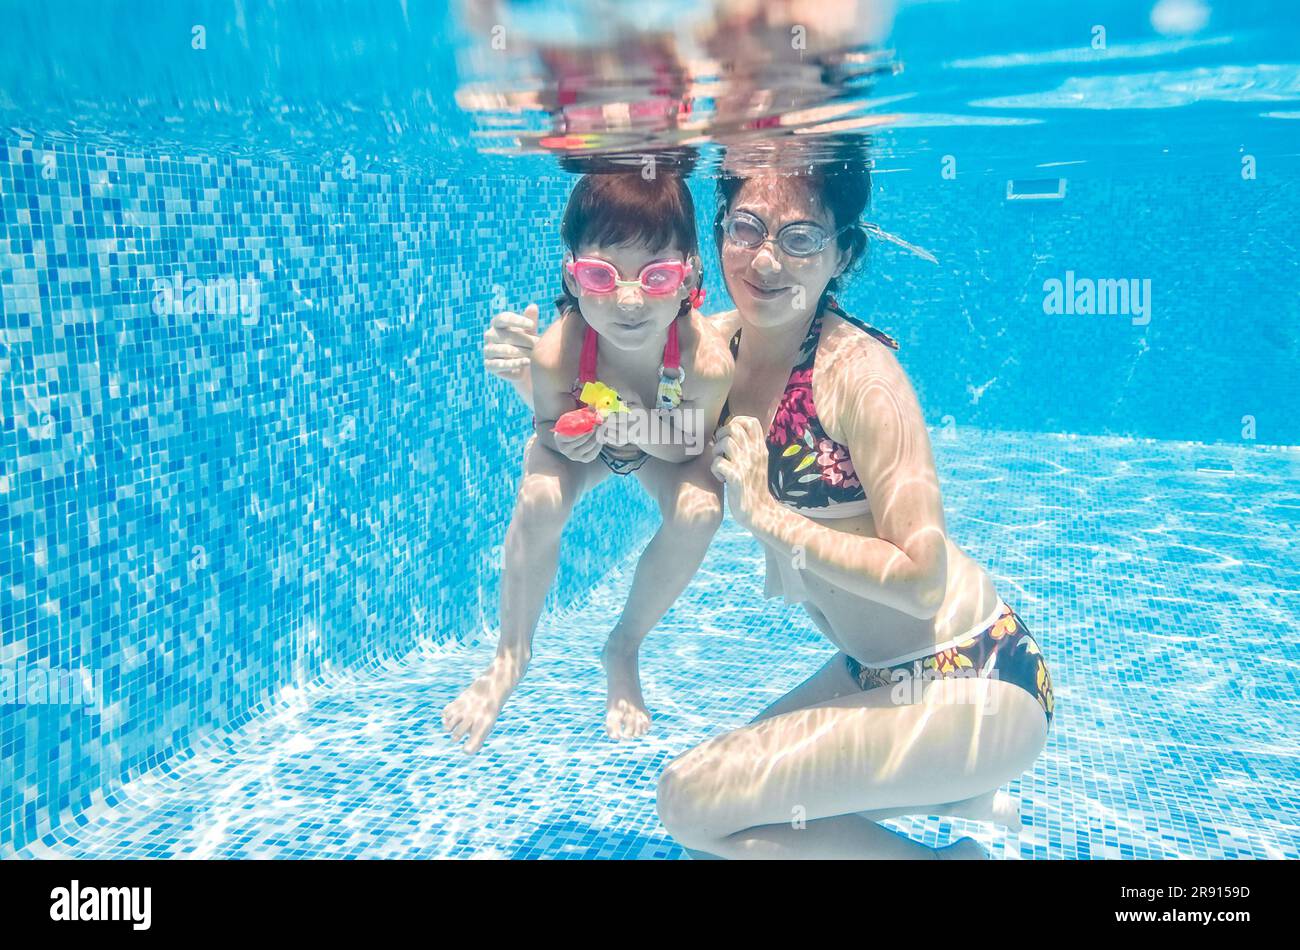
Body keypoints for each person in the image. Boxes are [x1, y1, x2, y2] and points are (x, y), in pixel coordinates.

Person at [483, 149, 1054, 858]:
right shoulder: (708, 351)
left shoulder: (861, 381)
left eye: (801, 237)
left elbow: (923, 579)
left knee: (693, 804)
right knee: (721, 820)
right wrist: (529, 379)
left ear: (842, 252)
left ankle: (948, 817)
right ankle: (941, 788)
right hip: (868, 672)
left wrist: (767, 515)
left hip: (973, 679)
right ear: (717, 234)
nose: (766, 261)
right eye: (747, 229)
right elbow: (617, 441)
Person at [443, 171, 734, 753]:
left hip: (662, 447)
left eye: (656, 276)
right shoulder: (560, 351)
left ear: (690, 278)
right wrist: (567, 440)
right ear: (571, 276)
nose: (628, 299)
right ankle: (511, 656)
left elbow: (686, 446)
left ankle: (622, 648)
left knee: (701, 510)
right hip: (590, 450)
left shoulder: (705, 362)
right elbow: (548, 429)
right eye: (602, 275)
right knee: (539, 497)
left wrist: (628, 424)